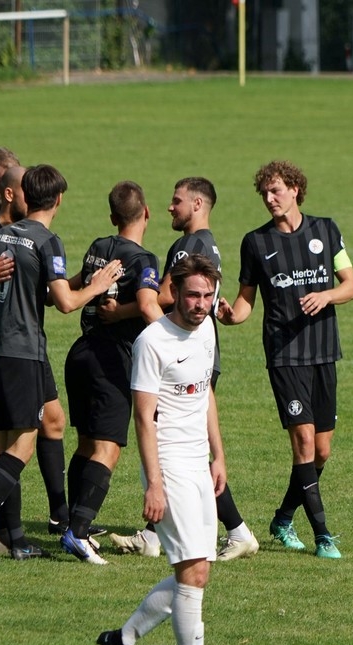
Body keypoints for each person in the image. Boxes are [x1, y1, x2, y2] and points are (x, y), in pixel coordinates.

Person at [0, 164, 122, 562]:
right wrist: (97, 286)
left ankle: (16, 539)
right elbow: (64, 303)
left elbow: (4, 291)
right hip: (22, 352)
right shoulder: (47, 240)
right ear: (58, 199)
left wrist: (1, 314)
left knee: (22, 433)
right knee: (22, 444)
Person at [97, 254, 232, 645]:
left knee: (197, 570)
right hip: (169, 463)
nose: (201, 304)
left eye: (207, 295)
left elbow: (205, 392)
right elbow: (143, 417)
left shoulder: (207, 329)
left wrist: (218, 455)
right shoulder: (152, 342)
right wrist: (154, 483)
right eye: (192, 295)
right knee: (193, 571)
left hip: (198, 462)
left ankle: (121, 640)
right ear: (174, 292)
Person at [109, 176, 258, 562]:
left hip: (184, 358)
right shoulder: (210, 244)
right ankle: (155, 534)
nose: (170, 208)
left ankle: (237, 530)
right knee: (185, 444)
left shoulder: (189, 248)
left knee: (177, 443)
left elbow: (161, 296)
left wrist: (119, 312)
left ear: (197, 204)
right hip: (197, 355)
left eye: (177, 201)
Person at [217, 160, 353, 560]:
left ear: (295, 189)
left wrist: (326, 295)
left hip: (323, 351)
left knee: (322, 450)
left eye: (276, 190)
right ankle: (323, 536)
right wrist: (231, 316)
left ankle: (282, 518)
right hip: (284, 355)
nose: (269, 198)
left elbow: (351, 285)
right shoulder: (255, 242)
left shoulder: (325, 230)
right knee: (304, 443)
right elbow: (246, 302)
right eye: (264, 193)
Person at [0, 150, 71, 544]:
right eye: (27, 190)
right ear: (11, 194)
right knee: (3, 439)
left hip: (24, 346)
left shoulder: (26, 235)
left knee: (48, 422)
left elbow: (43, 292)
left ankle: (43, 525)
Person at [60, 181, 162, 565]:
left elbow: (76, 283)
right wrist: (177, 339)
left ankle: (73, 523)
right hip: (112, 360)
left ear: (112, 217)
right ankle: (78, 532)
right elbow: (148, 305)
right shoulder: (144, 259)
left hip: (81, 353)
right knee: (108, 448)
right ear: (146, 212)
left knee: (86, 445)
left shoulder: (98, 246)